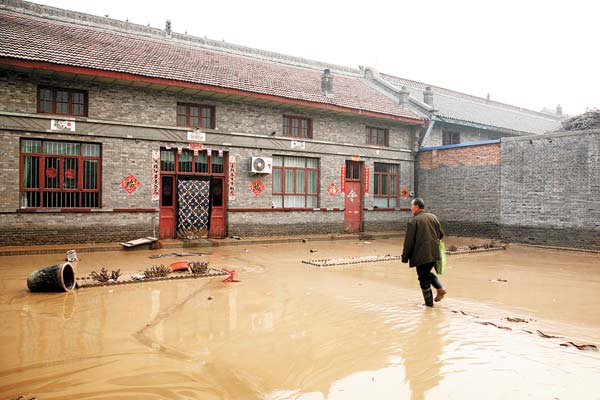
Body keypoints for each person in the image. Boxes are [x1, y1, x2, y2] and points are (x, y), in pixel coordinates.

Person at [401, 197, 447, 307]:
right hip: (435, 253)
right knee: (426, 273)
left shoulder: (413, 221)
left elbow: (409, 242)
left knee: (423, 278)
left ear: (416, 207)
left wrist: (405, 257)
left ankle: (429, 305)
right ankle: (440, 289)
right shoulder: (433, 217)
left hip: (422, 255)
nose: (411, 209)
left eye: (412, 206)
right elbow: (441, 235)